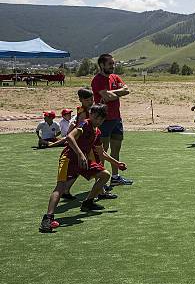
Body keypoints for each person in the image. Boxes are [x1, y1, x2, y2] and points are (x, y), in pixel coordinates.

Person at [38, 105, 127, 233]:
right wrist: (80, 154)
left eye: (99, 119)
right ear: (90, 114)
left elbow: (101, 152)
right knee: (61, 187)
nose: (96, 120)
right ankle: (48, 219)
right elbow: (70, 137)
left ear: (102, 120)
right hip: (69, 159)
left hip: (82, 161)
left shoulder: (97, 132)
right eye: (94, 116)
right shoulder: (84, 124)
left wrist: (117, 163)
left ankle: (88, 202)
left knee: (105, 175)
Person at [91, 54, 133, 187]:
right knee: (102, 151)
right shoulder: (97, 80)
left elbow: (127, 90)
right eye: (110, 64)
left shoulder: (115, 77)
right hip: (103, 120)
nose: (113, 66)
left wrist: (113, 93)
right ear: (102, 65)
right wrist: (116, 93)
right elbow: (107, 97)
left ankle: (115, 177)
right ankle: (101, 180)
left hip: (116, 119)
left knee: (116, 149)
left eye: (113, 64)